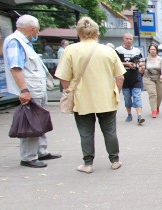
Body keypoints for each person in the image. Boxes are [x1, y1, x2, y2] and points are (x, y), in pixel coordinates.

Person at [54, 16, 126, 174]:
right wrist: (115, 93)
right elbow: (120, 77)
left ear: (79, 32)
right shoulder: (108, 51)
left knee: (86, 132)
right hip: (106, 98)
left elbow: (64, 78)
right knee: (110, 131)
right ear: (97, 33)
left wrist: (70, 92)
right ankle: (114, 160)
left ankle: (88, 164)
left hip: (82, 99)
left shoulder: (70, 50)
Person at [3, 14, 61, 168]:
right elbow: (15, 68)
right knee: (31, 122)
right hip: (30, 89)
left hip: (36, 88)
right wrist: (24, 90)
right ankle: (28, 157)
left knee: (39, 120)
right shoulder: (16, 42)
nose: (38, 33)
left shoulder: (24, 42)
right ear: (33, 29)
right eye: (38, 30)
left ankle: (41, 151)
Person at [115, 33, 144, 125]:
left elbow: (141, 62)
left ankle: (139, 117)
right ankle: (129, 114)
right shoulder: (118, 50)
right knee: (127, 99)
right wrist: (127, 64)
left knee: (137, 97)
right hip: (124, 78)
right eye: (127, 39)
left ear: (133, 40)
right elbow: (115, 62)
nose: (128, 40)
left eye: (130, 39)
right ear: (124, 39)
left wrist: (139, 66)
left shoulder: (137, 51)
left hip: (135, 77)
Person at [144, 44, 162, 118]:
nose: (152, 51)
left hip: (158, 78)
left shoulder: (160, 59)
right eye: (151, 49)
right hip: (148, 78)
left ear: (157, 50)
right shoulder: (146, 59)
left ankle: (157, 107)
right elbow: (142, 67)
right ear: (149, 50)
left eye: (154, 49)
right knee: (152, 94)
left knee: (159, 95)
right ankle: (153, 111)